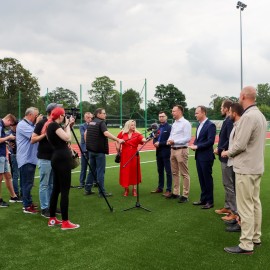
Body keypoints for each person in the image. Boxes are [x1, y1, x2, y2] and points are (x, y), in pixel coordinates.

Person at [222, 86, 267, 255]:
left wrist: (227, 152)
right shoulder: (260, 115)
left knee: (246, 206)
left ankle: (246, 243)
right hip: (255, 167)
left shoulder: (249, 116)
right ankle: (255, 237)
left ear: (242, 96)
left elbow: (240, 145)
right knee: (255, 203)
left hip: (246, 167)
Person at [42, 107, 79, 230]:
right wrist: (67, 125)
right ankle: (65, 221)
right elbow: (68, 138)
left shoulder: (51, 126)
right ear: (60, 116)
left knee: (56, 189)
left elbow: (61, 138)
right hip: (62, 159)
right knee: (64, 190)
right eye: (63, 115)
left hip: (57, 158)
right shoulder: (53, 125)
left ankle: (52, 218)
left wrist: (68, 125)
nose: (65, 117)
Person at [85, 108, 124, 197]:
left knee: (92, 170)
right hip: (99, 151)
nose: (105, 115)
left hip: (91, 151)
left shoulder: (91, 122)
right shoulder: (101, 122)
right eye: (104, 113)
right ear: (98, 114)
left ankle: (87, 189)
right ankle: (102, 192)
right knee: (100, 171)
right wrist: (118, 139)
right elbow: (106, 133)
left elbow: (86, 134)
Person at [31, 103, 61, 218]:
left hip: (54, 158)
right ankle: (45, 208)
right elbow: (32, 139)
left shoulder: (56, 123)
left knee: (52, 184)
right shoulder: (42, 123)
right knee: (44, 184)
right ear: (53, 111)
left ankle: (51, 206)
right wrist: (44, 134)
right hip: (45, 158)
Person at [16, 107, 43, 214]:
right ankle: (27, 206)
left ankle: (28, 202)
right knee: (27, 183)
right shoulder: (22, 125)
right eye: (36, 115)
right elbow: (33, 136)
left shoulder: (28, 125)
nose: (37, 117)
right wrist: (38, 123)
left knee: (26, 183)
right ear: (30, 115)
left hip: (29, 158)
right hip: (26, 159)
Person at [189, 106, 216, 209]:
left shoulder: (210, 125)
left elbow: (210, 141)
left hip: (206, 156)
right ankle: (203, 199)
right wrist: (194, 144)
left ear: (203, 113)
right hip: (199, 156)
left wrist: (198, 146)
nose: (195, 115)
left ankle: (210, 201)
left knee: (207, 179)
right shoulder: (199, 125)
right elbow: (198, 139)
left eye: (197, 113)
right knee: (201, 179)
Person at [214, 99, 236, 221]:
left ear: (227, 108)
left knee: (229, 184)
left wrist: (221, 149)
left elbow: (229, 140)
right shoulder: (227, 120)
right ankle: (228, 207)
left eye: (222, 107)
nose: (220, 109)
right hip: (223, 155)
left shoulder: (229, 121)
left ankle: (233, 211)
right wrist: (219, 147)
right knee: (226, 183)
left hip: (227, 157)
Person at [223, 102, 244, 233]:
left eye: (230, 112)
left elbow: (239, 145)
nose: (228, 114)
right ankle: (238, 219)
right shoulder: (236, 125)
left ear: (234, 113)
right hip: (235, 163)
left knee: (240, 194)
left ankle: (240, 221)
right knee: (237, 191)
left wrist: (227, 152)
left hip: (241, 165)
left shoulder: (241, 125)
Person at [166, 105, 192, 203]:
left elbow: (187, 138)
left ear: (180, 111)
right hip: (173, 149)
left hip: (181, 149)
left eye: (174, 111)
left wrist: (174, 141)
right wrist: (169, 140)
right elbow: (171, 135)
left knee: (184, 173)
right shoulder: (174, 123)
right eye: (172, 111)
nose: (172, 113)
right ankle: (176, 192)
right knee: (174, 172)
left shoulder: (186, 123)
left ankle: (185, 195)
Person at [115, 120, 147, 196]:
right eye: (132, 125)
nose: (134, 126)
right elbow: (117, 140)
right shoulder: (122, 133)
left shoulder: (137, 134)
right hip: (125, 155)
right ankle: (126, 189)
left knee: (134, 171)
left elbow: (143, 140)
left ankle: (134, 189)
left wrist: (147, 139)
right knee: (125, 172)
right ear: (128, 126)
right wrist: (118, 148)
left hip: (134, 155)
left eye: (134, 125)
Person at [0, 114, 21, 207]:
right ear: (9, 120)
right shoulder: (0, 125)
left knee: (8, 176)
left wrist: (6, 142)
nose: (10, 126)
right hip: (0, 154)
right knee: (0, 178)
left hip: (3, 154)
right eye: (10, 124)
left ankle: (13, 196)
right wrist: (9, 138)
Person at [151, 111, 172, 196]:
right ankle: (160, 187)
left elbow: (170, 140)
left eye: (163, 116)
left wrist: (160, 143)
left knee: (168, 171)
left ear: (166, 117)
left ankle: (169, 189)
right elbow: (154, 137)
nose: (161, 118)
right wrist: (155, 143)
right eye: (160, 116)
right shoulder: (157, 127)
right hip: (158, 152)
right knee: (160, 171)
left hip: (166, 152)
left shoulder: (170, 127)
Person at [78, 112, 94, 190]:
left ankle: (93, 181)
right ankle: (82, 182)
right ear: (85, 118)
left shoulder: (94, 125)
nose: (89, 119)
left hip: (92, 148)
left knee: (93, 166)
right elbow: (83, 134)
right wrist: (89, 127)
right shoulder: (82, 126)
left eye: (91, 117)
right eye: (88, 117)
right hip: (84, 149)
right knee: (83, 167)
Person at [6, 121, 21, 199]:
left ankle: (20, 193)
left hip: (20, 155)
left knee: (20, 174)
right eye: (14, 125)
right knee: (15, 174)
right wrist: (8, 143)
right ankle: (15, 193)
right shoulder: (9, 133)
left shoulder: (18, 132)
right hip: (14, 155)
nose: (15, 127)